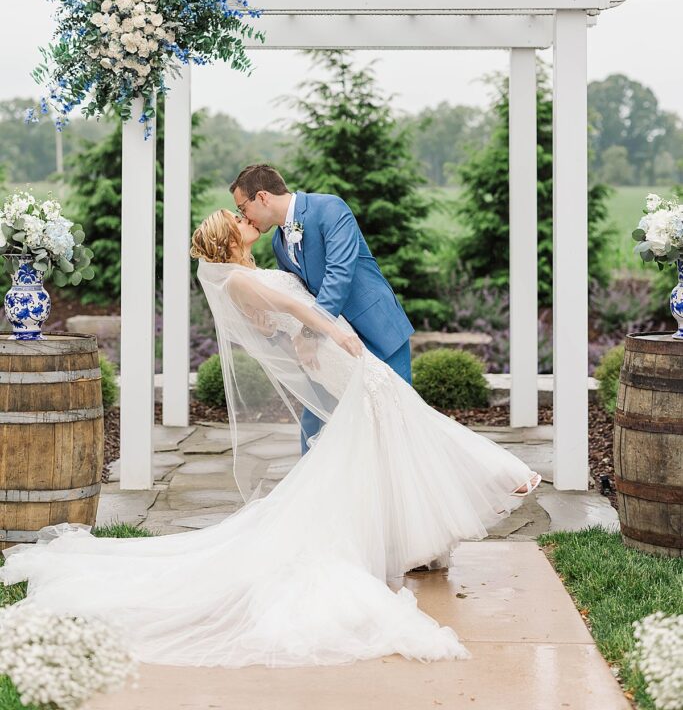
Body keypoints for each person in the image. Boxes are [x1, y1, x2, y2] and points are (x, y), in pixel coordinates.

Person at [0, 207, 541, 670]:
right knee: (403, 420)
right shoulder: (236, 278)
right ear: (229, 239)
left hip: (335, 356)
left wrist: (306, 336)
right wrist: (327, 329)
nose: (245, 219)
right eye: (237, 219)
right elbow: (290, 309)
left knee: (399, 425)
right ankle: (501, 476)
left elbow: (273, 320)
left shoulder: (246, 273)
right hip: (340, 352)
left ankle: (457, 504)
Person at [230, 164, 414, 454]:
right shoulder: (280, 242)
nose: (244, 216)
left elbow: (339, 275)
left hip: (376, 330)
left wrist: (310, 332)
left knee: (399, 418)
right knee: (314, 421)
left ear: (262, 197)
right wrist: (271, 329)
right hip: (329, 344)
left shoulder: (329, 207)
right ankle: (313, 495)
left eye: (243, 207)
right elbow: (298, 297)